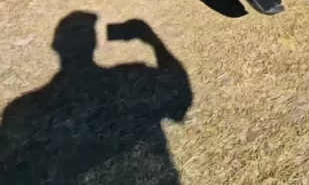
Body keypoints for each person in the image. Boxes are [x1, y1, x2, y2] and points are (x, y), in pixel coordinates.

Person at [0, 12, 192, 184]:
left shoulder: (21, 110)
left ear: (56, 46)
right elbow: (180, 100)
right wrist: (151, 39)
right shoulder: (128, 78)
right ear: (95, 45)